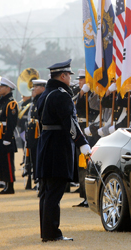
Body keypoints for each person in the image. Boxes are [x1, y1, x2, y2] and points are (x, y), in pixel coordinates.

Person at [36, 59, 90, 242]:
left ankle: (47, 233)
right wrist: (82, 143)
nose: (70, 79)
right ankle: (52, 234)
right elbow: (71, 122)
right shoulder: (61, 95)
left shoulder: (46, 93)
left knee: (46, 192)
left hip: (46, 144)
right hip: (57, 147)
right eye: (68, 75)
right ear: (63, 76)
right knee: (54, 193)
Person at [72, 69, 99, 207]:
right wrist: (82, 93)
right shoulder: (79, 94)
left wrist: (85, 93)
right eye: (79, 80)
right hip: (81, 130)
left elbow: (95, 108)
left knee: (89, 164)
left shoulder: (94, 94)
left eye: (82, 80)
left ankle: (90, 196)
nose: (79, 82)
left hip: (91, 131)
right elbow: (75, 107)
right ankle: (84, 195)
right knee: (81, 165)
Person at [0, 77, 19, 194]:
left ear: (8, 88)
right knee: (1, 162)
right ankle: (5, 184)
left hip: (5, 137)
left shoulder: (11, 103)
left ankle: (10, 186)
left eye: (1, 87)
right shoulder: (0, 101)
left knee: (7, 162)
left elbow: (11, 123)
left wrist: (7, 138)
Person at [25, 79, 46, 191]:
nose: (34, 89)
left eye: (36, 87)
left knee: (39, 158)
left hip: (39, 133)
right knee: (34, 158)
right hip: (33, 133)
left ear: (43, 88)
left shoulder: (43, 99)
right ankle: (36, 180)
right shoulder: (35, 101)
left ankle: (40, 182)